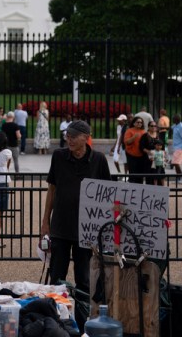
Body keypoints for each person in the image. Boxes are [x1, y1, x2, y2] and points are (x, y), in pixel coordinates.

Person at [40, 120, 111, 333]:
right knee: (56, 279)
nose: (68, 139)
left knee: (84, 281)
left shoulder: (98, 159)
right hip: (60, 227)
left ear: (86, 137)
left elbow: (106, 195)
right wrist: (45, 221)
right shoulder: (59, 156)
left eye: (73, 135)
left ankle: (81, 325)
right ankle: (53, 322)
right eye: (67, 135)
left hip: (86, 232)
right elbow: (51, 189)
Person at [123, 116, 151, 184]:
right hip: (131, 155)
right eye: (138, 122)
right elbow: (126, 142)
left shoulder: (144, 132)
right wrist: (134, 137)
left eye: (141, 122)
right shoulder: (129, 131)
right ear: (134, 123)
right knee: (132, 174)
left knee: (140, 174)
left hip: (141, 155)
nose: (139, 123)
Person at [171, 114, 182, 179]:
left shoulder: (181, 127)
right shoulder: (175, 125)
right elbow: (170, 128)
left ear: (176, 120)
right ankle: (179, 177)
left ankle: (180, 177)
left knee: (175, 163)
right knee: (175, 163)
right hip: (176, 147)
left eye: (173, 119)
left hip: (180, 147)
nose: (172, 120)